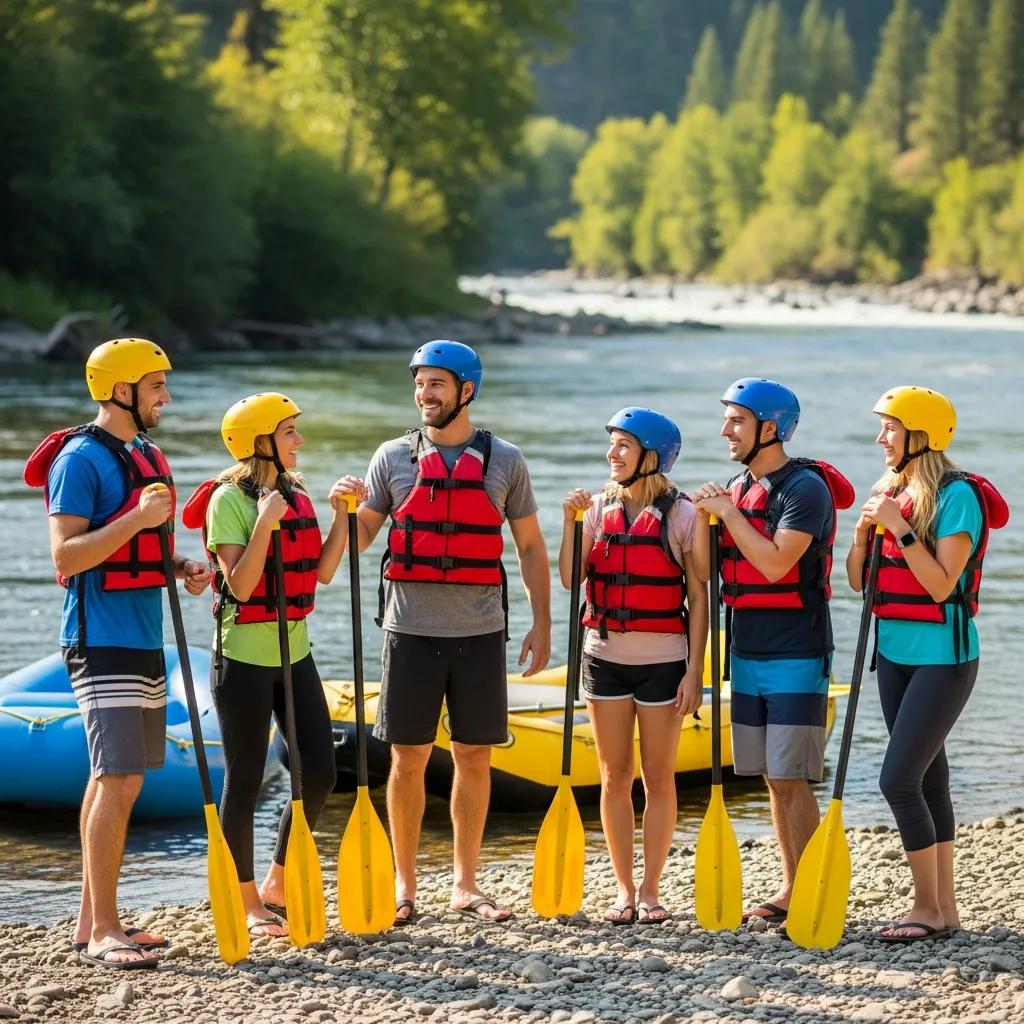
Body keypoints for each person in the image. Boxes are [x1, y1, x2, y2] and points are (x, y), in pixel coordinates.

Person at [333, 340, 551, 924]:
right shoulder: (392, 457)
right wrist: (342, 512)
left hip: (481, 631)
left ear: (466, 391)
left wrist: (542, 622)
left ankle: (465, 883)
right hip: (409, 630)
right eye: (420, 384)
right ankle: (405, 885)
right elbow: (359, 541)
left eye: (436, 384)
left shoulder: (506, 460)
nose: (425, 394)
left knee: (473, 756)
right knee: (407, 759)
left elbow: (530, 547)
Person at [24, 338, 211, 969]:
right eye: (157, 385)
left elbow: (142, 552)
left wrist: (183, 564)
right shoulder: (78, 459)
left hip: (141, 636)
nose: (167, 396)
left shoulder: (147, 454)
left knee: (117, 779)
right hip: (98, 638)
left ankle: (91, 921)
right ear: (122, 389)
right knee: (118, 777)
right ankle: (104, 929)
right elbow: (66, 556)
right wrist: (135, 519)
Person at [846, 386, 1007, 943]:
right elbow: (854, 581)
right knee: (930, 780)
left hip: (945, 658)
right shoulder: (889, 491)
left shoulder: (957, 496)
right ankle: (944, 911)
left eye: (889, 429)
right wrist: (866, 533)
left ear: (920, 434)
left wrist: (901, 528)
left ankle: (925, 908)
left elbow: (941, 586)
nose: (880, 439)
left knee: (898, 780)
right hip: (893, 655)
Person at [181, 392, 345, 939]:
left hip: (295, 652)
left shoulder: (295, 493)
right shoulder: (228, 500)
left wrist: (343, 516)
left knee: (320, 769)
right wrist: (264, 524)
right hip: (243, 658)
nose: (300, 440)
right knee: (247, 778)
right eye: (290, 431)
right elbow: (242, 585)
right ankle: (244, 898)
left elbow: (321, 573)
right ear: (261, 442)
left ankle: (277, 879)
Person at [692, 378, 854, 926]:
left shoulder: (803, 489)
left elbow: (776, 564)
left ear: (770, 427)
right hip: (746, 649)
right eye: (726, 420)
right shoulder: (741, 489)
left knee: (790, 775)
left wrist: (728, 515)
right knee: (770, 776)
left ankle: (806, 891)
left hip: (797, 649)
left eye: (736, 420)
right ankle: (791, 888)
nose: (725, 431)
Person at [561, 408, 707, 925]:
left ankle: (651, 889)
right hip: (604, 661)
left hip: (665, 664)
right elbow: (568, 578)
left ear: (652, 455)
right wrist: (570, 521)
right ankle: (624, 889)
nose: (612, 454)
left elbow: (699, 597)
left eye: (624, 445)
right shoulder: (599, 509)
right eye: (612, 444)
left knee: (658, 777)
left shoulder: (684, 515)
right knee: (613, 776)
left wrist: (695, 673)